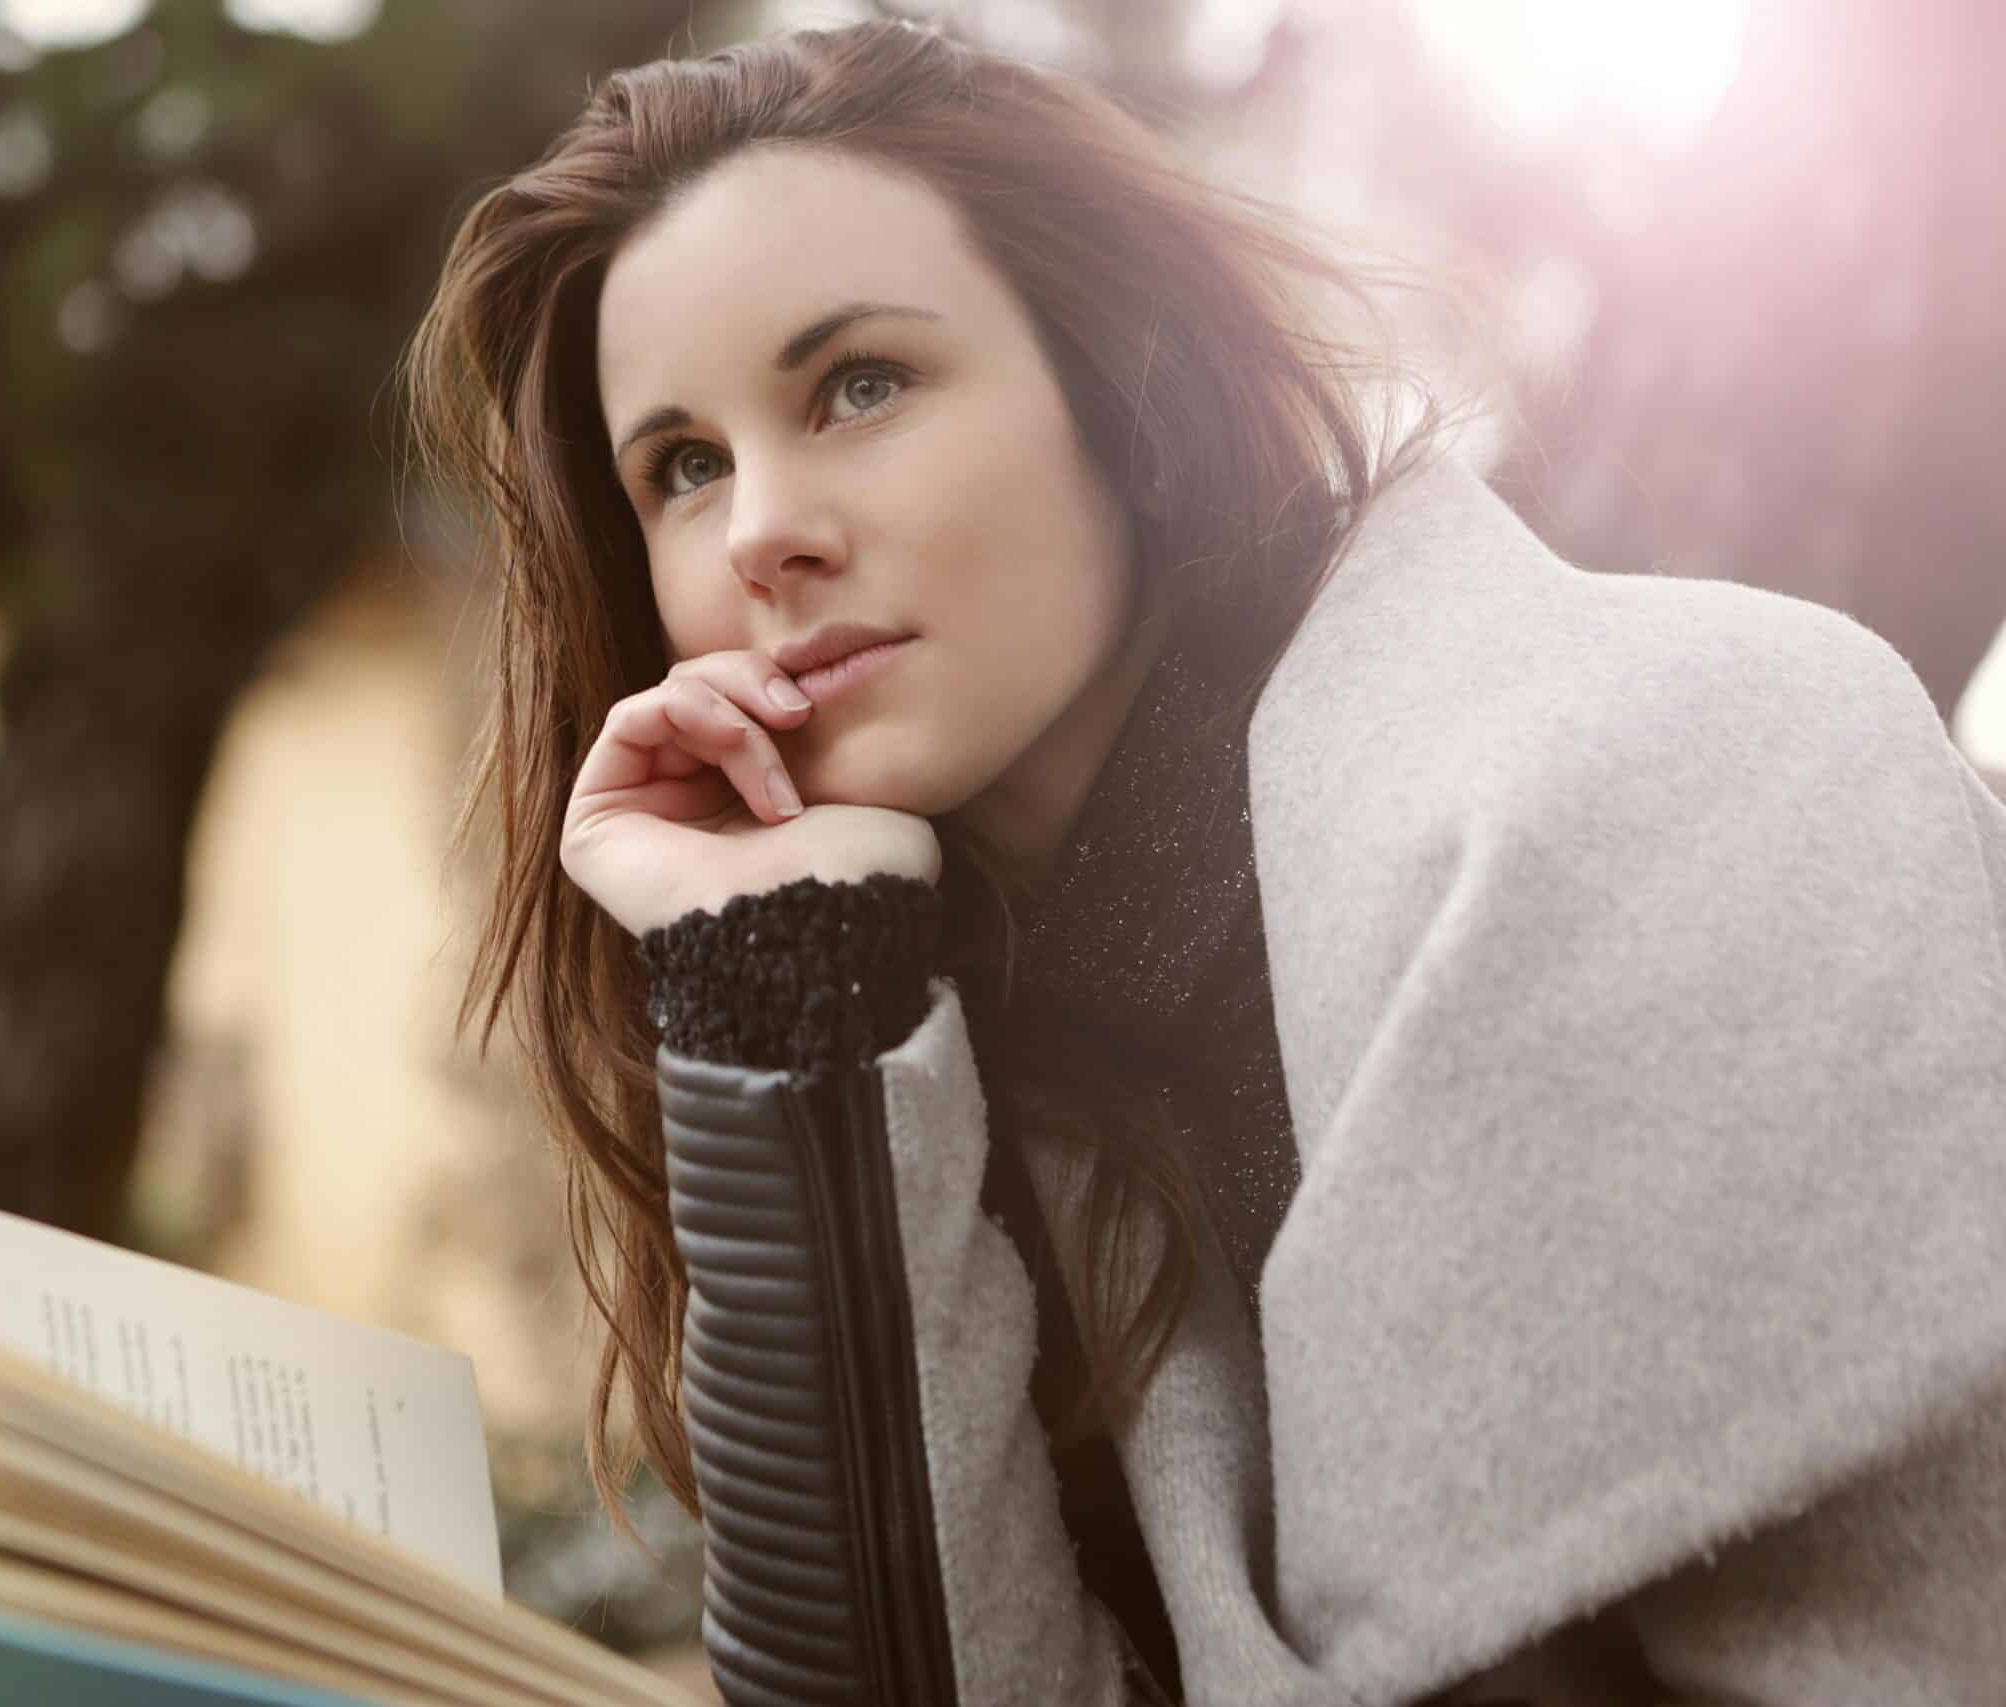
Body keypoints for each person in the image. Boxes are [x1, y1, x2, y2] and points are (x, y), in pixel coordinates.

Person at [399, 18, 2006, 1706]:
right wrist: (783, 983)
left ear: (1127, 389)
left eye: (861, 385)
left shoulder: (1669, 763)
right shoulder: (973, 1046)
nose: (759, 533)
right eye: (685, 467)